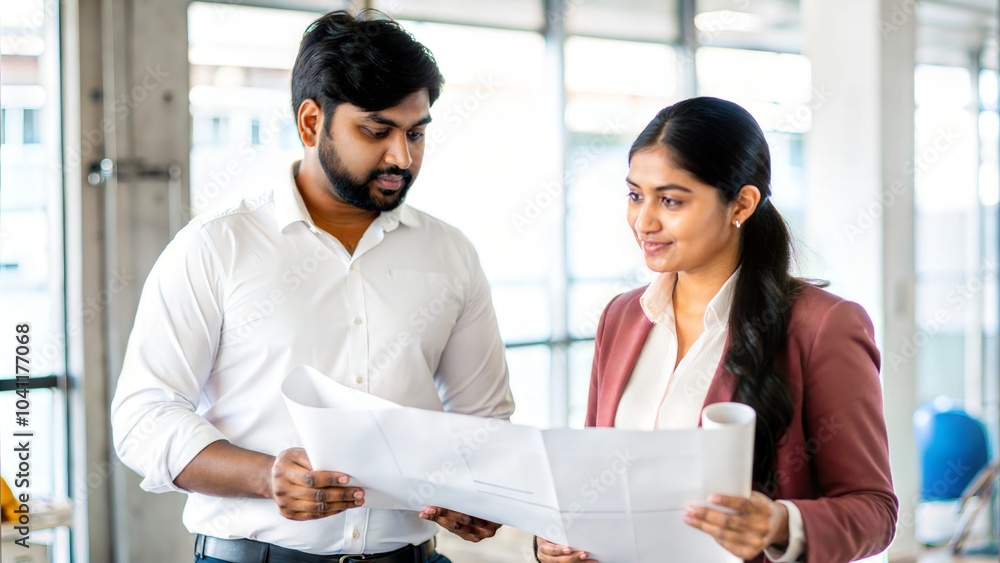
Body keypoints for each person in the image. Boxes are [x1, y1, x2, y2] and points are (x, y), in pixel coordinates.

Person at [111, 10, 514, 563]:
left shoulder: (450, 253)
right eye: (376, 131)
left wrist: (479, 494)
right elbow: (142, 417)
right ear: (310, 122)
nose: (402, 156)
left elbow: (484, 423)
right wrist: (264, 476)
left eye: (416, 133)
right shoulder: (215, 247)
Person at [535, 97, 898, 562]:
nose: (644, 221)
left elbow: (874, 510)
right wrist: (561, 540)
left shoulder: (823, 325)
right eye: (634, 195)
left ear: (741, 203)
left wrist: (781, 524)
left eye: (670, 200)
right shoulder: (622, 317)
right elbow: (593, 477)